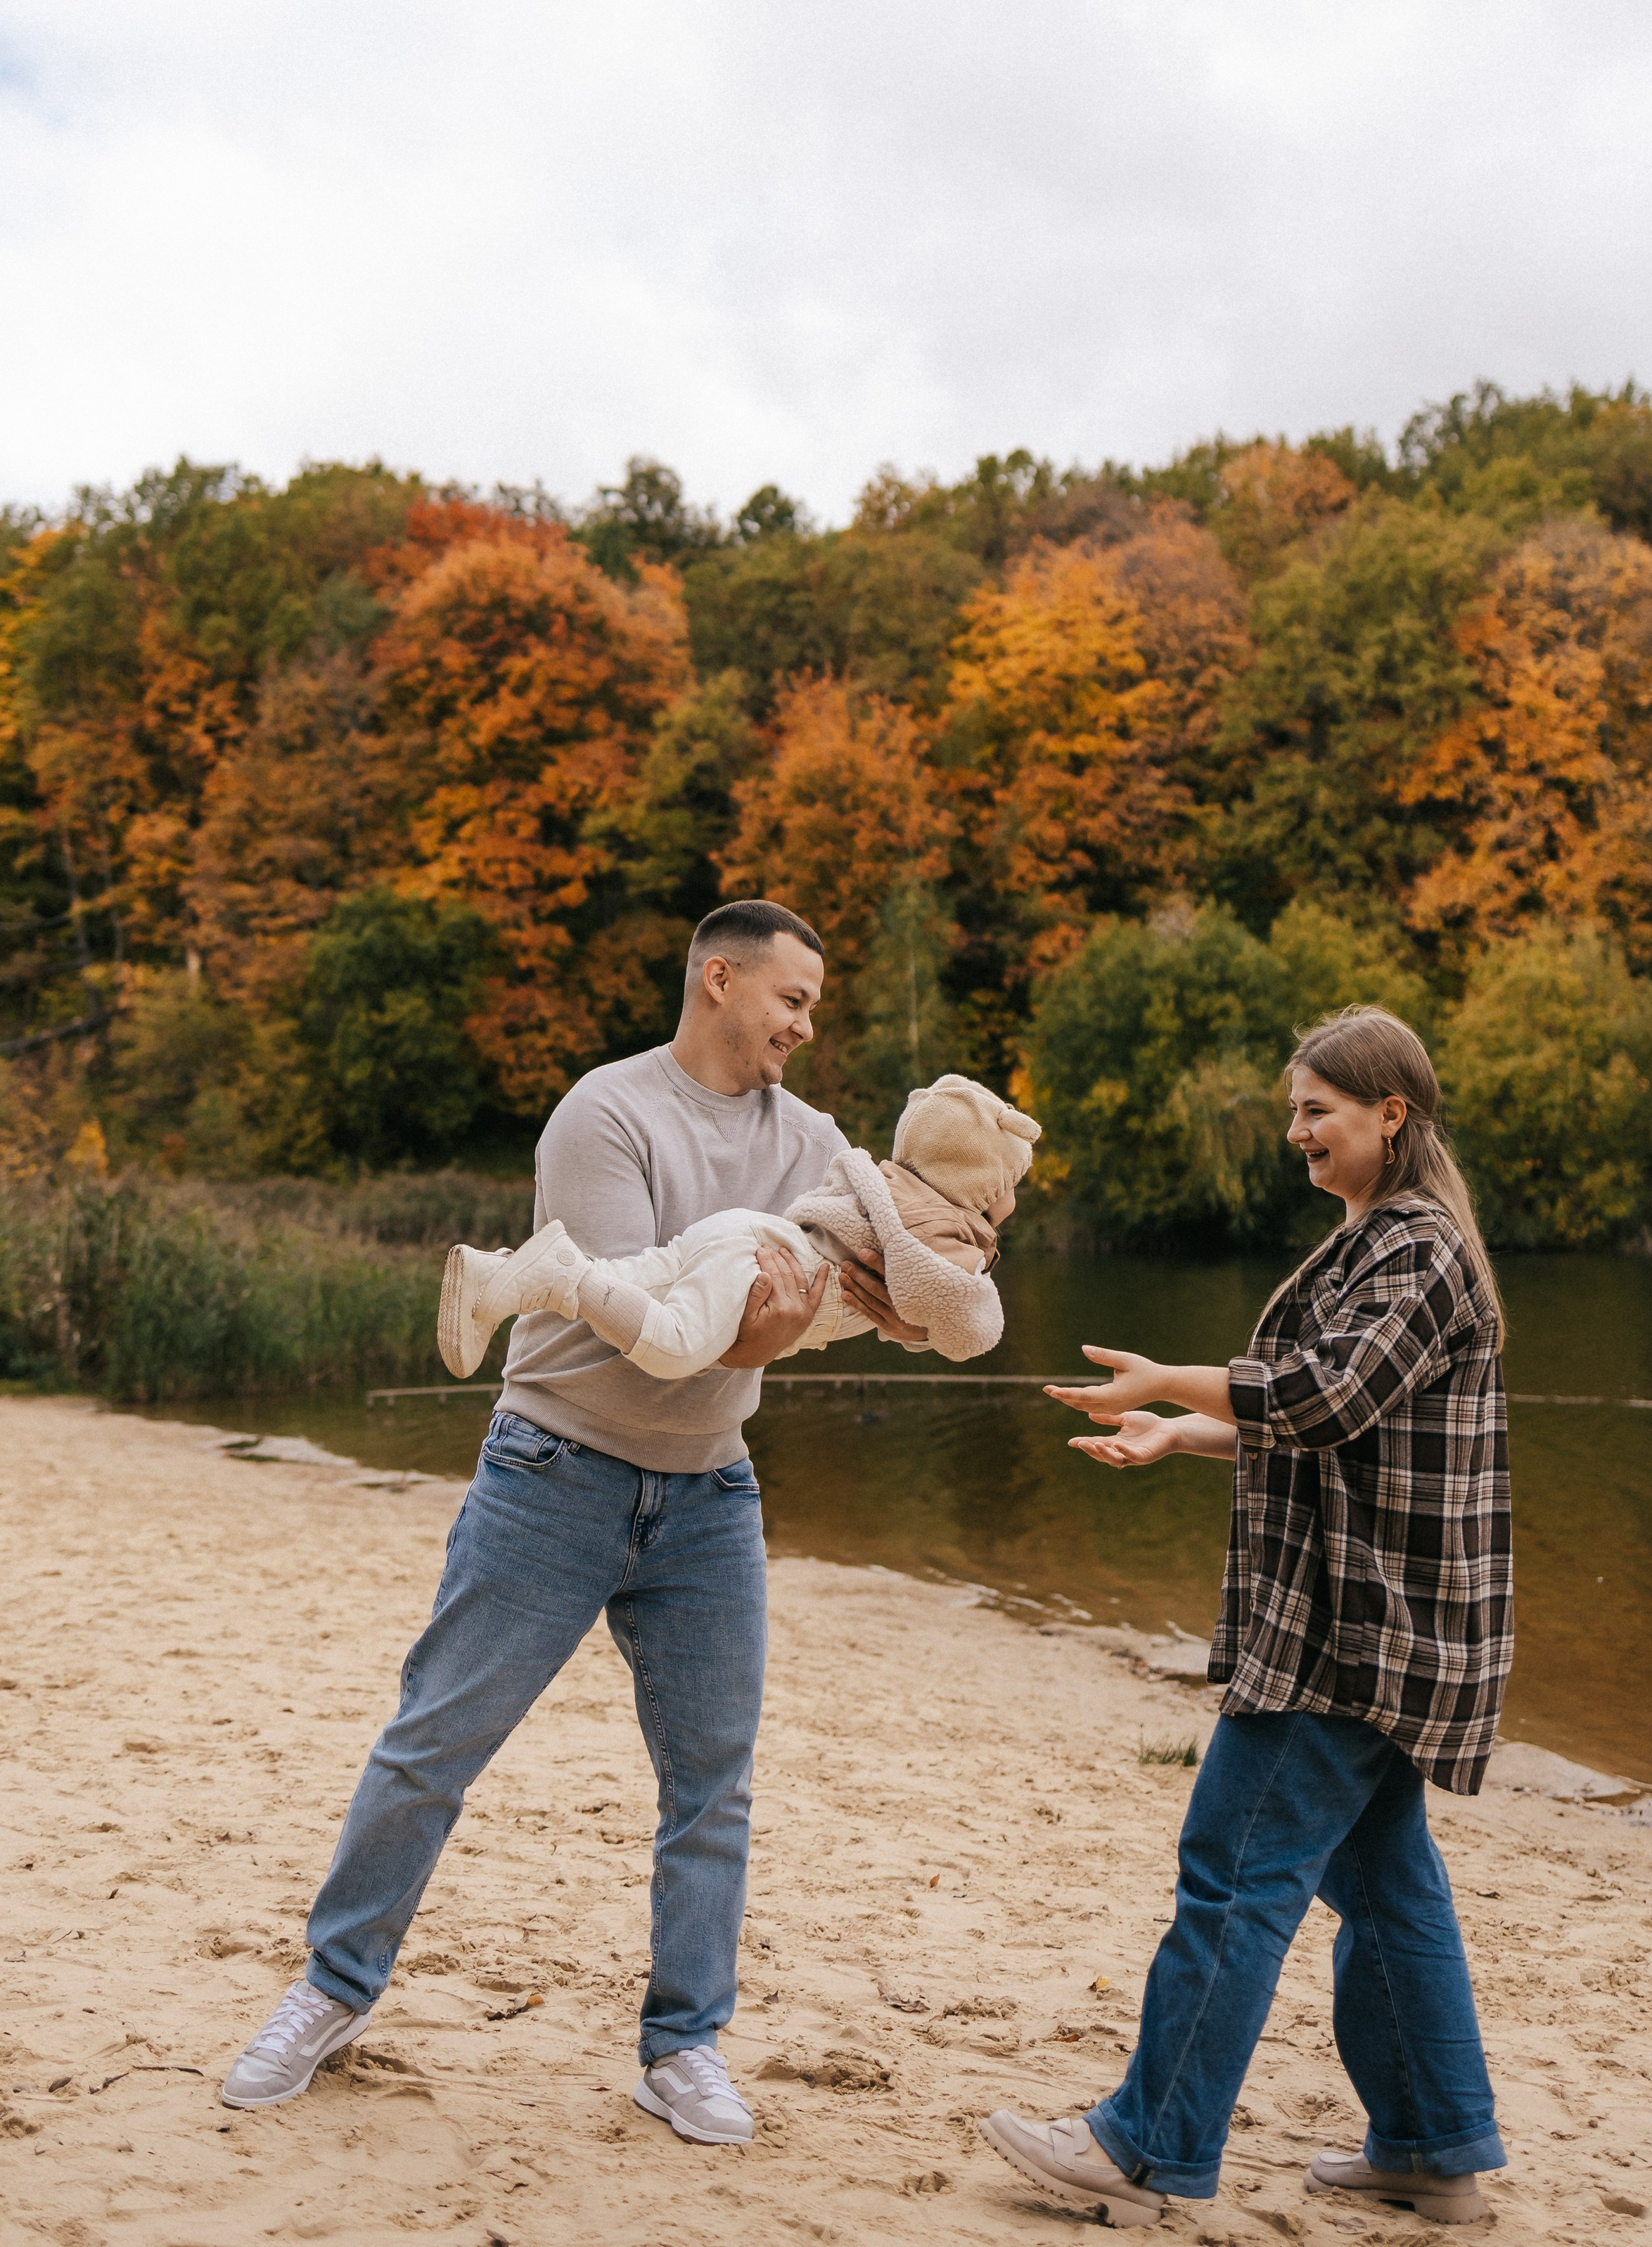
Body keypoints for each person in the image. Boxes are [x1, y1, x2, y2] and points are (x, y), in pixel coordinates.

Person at [219, 900, 924, 2146]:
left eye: (813, 1006)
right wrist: (793, 1318)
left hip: (712, 1490)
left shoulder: (815, 1141)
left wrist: (915, 1280)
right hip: (556, 1471)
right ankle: (331, 1992)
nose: (807, 1028)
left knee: (712, 1787)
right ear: (720, 979)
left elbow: (856, 1298)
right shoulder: (607, 1113)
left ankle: (684, 2047)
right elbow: (653, 1334)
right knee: (432, 1746)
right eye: (793, 1001)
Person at [983, 1006, 1513, 2232]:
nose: (1297, 1133)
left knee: (1231, 1874)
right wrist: (1184, 1430)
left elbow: (1326, 1397)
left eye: (1317, 1111)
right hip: (1366, 1621)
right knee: (1384, 1888)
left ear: (1392, 1113)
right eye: (1296, 1111)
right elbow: (1323, 1419)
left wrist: (1170, 1374)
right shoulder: (1371, 1242)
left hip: (1354, 1630)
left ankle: (1148, 2147)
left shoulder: (1420, 1251)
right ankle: (1434, 2150)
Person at [437, 1070, 1042, 1379]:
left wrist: (912, 1328)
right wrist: (948, 1307)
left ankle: (497, 1277)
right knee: (672, 1348)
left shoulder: (883, 1182)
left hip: (740, 1236)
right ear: (983, 1186)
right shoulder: (951, 1234)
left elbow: (913, 1305)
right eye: (1010, 1185)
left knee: (630, 1280)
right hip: (758, 1266)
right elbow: (969, 1330)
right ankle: (561, 1274)